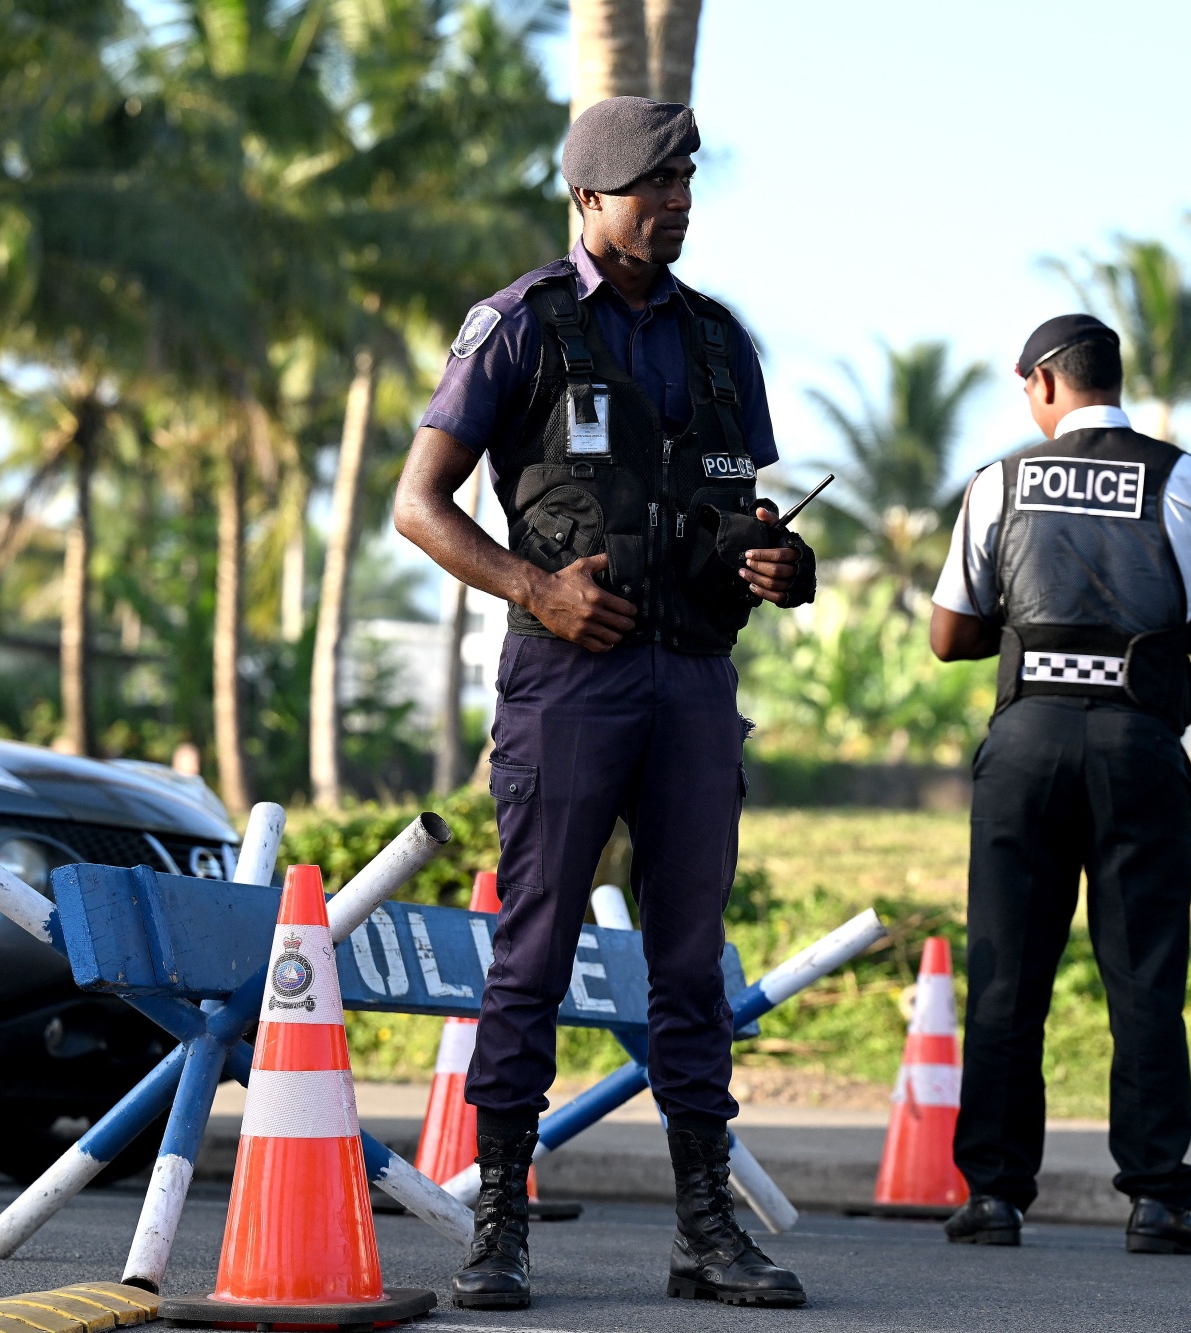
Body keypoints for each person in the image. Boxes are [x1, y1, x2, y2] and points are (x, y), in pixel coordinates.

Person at [393, 96, 816, 1309]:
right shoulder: (518, 328)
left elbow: (746, 515)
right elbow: (419, 506)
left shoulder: (722, 344)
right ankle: (497, 1225)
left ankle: (703, 1232)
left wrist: (779, 568)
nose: (675, 203)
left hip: (691, 683)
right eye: (651, 186)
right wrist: (536, 588)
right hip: (565, 680)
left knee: (688, 965)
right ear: (588, 199)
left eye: (685, 183)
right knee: (529, 955)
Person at [928, 314, 1191, 1254]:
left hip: (1026, 744)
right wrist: (1143, 637)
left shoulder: (999, 481)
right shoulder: (1189, 478)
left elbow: (951, 636)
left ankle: (994, 1196)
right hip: (1138, 746)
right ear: (1116, 380)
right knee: (1145, 975)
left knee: (1005, 975)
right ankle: (1158, 1199)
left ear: (1040, 384)